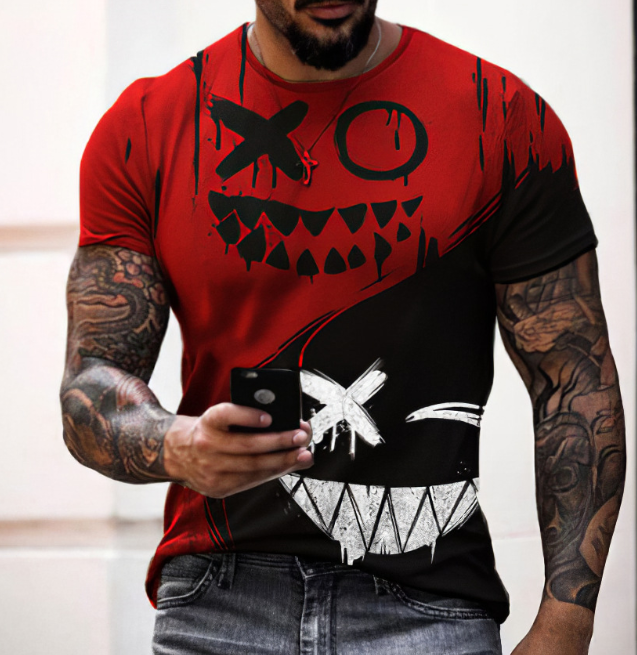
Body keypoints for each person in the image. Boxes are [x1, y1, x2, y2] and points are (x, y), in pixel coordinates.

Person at [60, 1, 625, 653]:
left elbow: (572, 380)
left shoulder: (498, 114)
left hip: (431, 606)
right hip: (218, 602)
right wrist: (176, 444)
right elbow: (91, 382)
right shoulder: (148, 124)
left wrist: (565, 624)